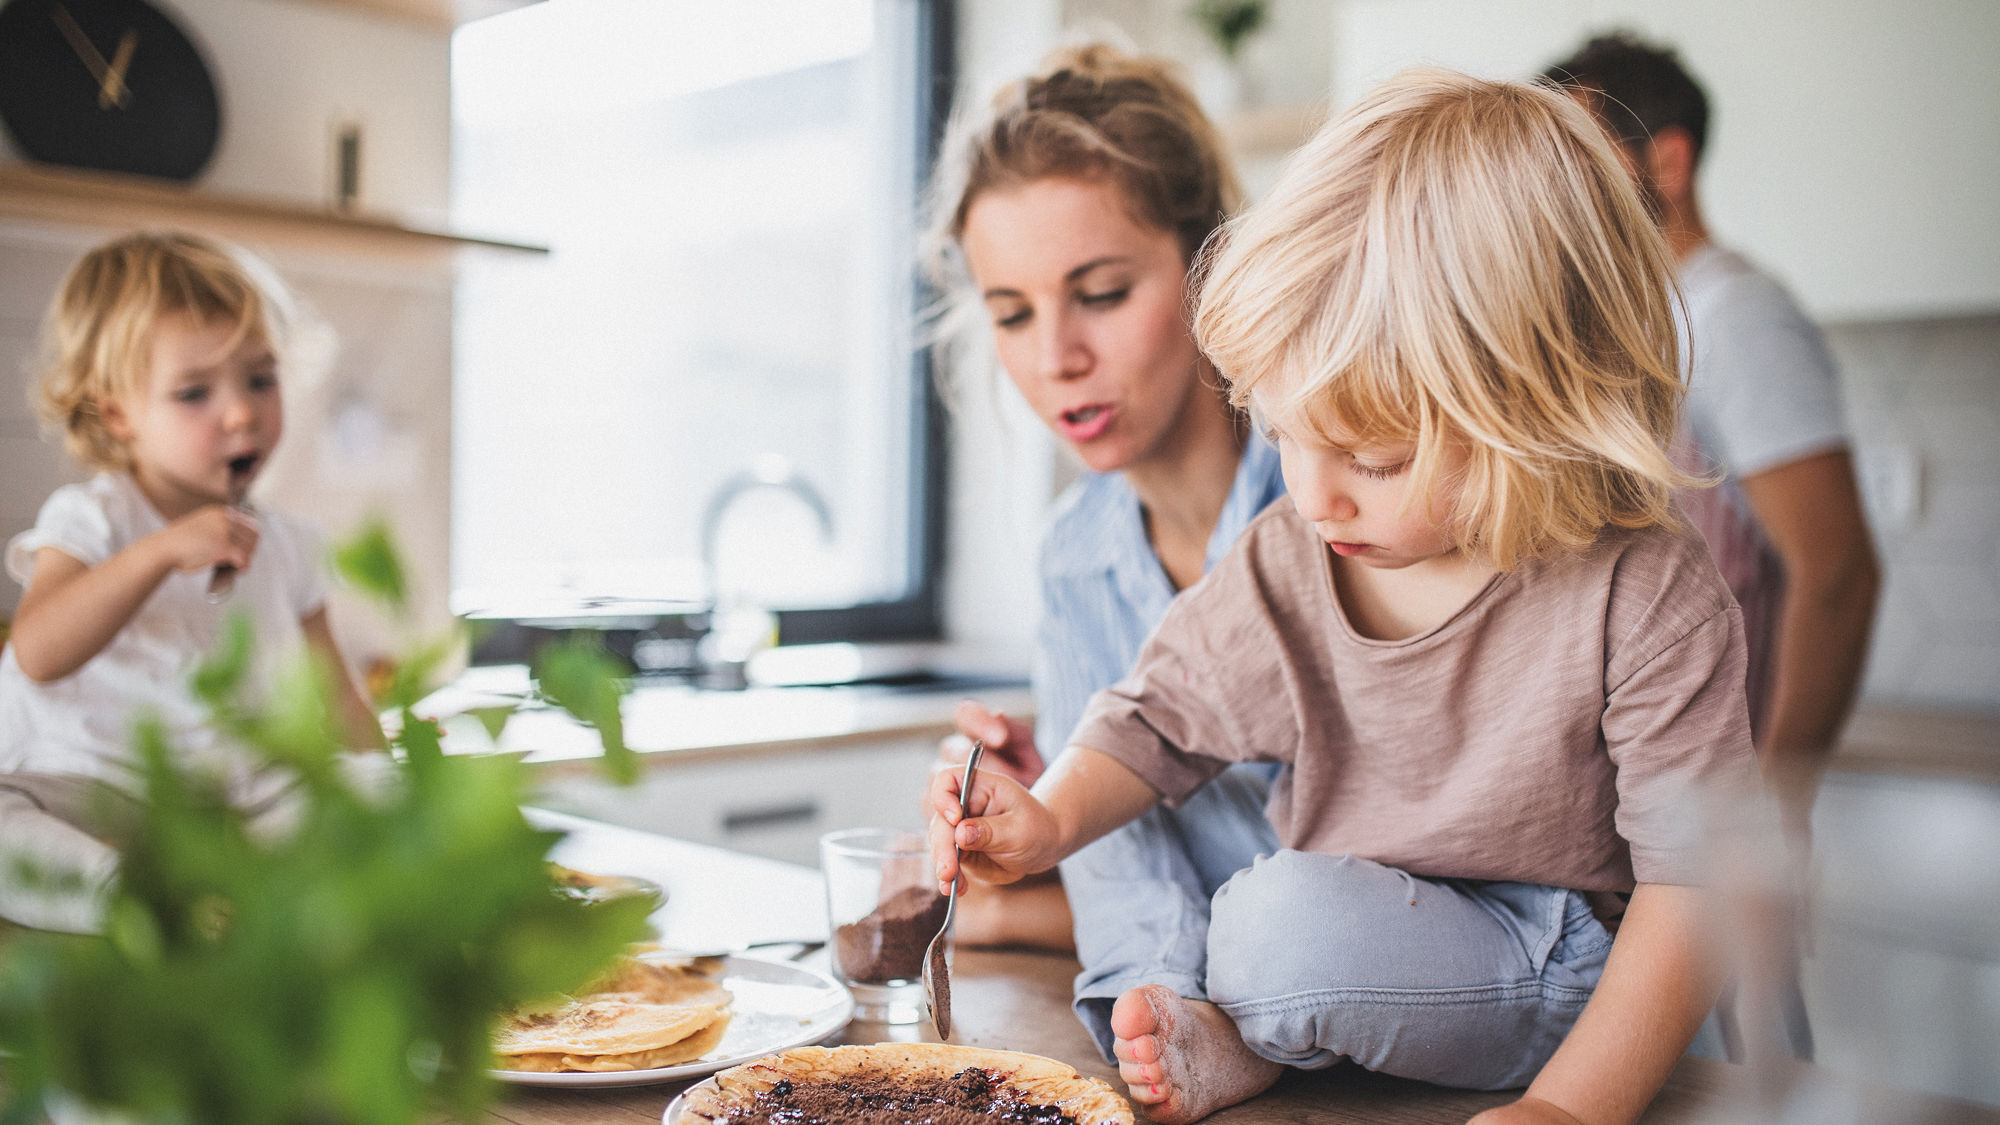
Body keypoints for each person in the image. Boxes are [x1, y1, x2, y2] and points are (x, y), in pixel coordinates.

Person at [929, 69, 1768, 1125]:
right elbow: (1151, 722)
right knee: (1277, 922)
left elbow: (1694, 886)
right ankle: (1264, 1043)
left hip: (1560, 972)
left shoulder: (1643, 592)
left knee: (1284, 928)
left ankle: (1275, 1039)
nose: (1310, 493)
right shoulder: (1292, 551)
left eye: (1369, 456)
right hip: (1369, 955)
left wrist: (1569, 1110)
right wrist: (1049, 819)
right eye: (1284, 437)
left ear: (1534, 403)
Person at [923, 43, 1288, 1055]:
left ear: (1208, 262)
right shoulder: (1072, 558)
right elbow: (1135, 879)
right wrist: (1035, 826)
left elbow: (1376, 899)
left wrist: (1030, 910)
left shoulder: (1341, 499)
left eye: (1101, 292)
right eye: (1011, 313)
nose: (1055, 359)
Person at [1540, 33, 1880, 845]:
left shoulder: (1736, 320)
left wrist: (1768, 810)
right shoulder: (1647, 330)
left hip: (1717, 839)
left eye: (1584, 163)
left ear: (1668, 165)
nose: (1557, 195)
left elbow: (1837, 573)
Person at [0, 231, 382, 929]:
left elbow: (341, 702)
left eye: (260, 379)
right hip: (91, 781)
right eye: (194, 391)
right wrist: (158, 553)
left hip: (233, 796)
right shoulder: (93, 517)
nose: (241, 412)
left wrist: (396, 801)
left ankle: (225, 898)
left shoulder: (290, 545)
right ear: (117, 413)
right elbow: (38, 650)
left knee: (372, 788)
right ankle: (126, 900)